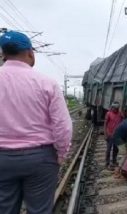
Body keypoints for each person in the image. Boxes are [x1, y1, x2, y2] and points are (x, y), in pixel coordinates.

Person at [0, 31, 72, 214]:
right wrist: (62, 153)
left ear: (3, 54)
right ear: (31, 52)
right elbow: (63, 126)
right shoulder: (47, 83)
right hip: (40, 159)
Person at [104, 101, 123, 169]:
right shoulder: (108, 114)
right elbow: (105, 124)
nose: (114, 109)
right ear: (112, 107)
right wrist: (105, 134)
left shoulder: (120, 114)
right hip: (110, 135)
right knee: (108, 149)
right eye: (113, 108)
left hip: (117, 135)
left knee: (116, 149)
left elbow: (122, 123)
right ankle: (107, 163)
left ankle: (114, 161)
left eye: (116, 108)